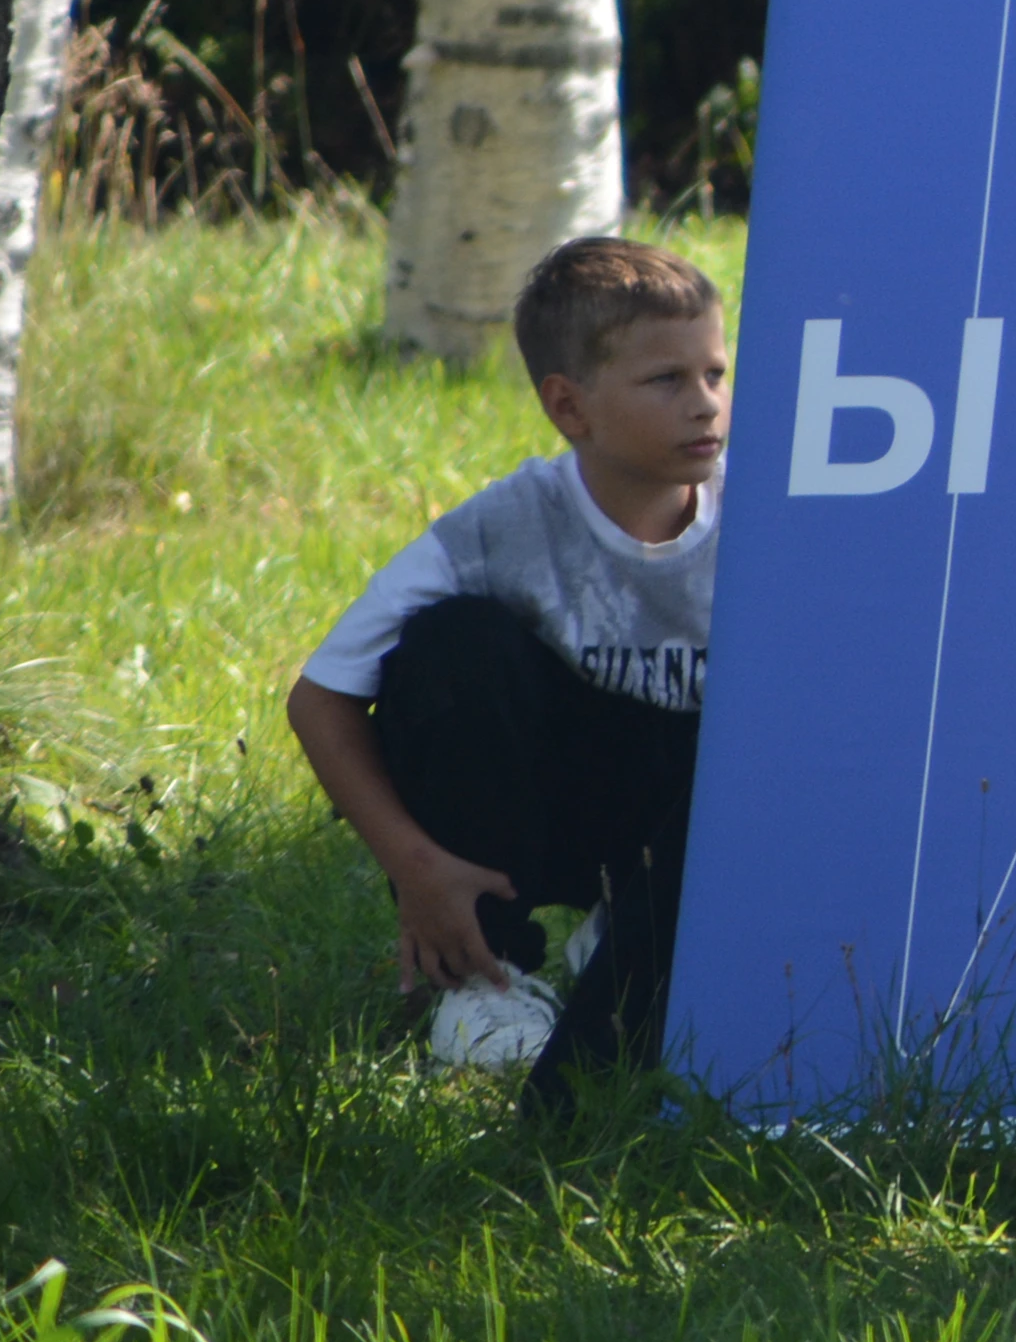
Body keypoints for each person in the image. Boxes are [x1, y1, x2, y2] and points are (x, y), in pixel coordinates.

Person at [285, 237, 726, 1119]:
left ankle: (630, 935)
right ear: (570, 407)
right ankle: (483, 978)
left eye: (716, 372)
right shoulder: (499, 529)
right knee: (454, 644)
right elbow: (320, 696)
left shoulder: (774, 510)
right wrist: (415, 868)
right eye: (666, 382)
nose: (707, 406)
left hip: (686, 824)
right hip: (547, 805)